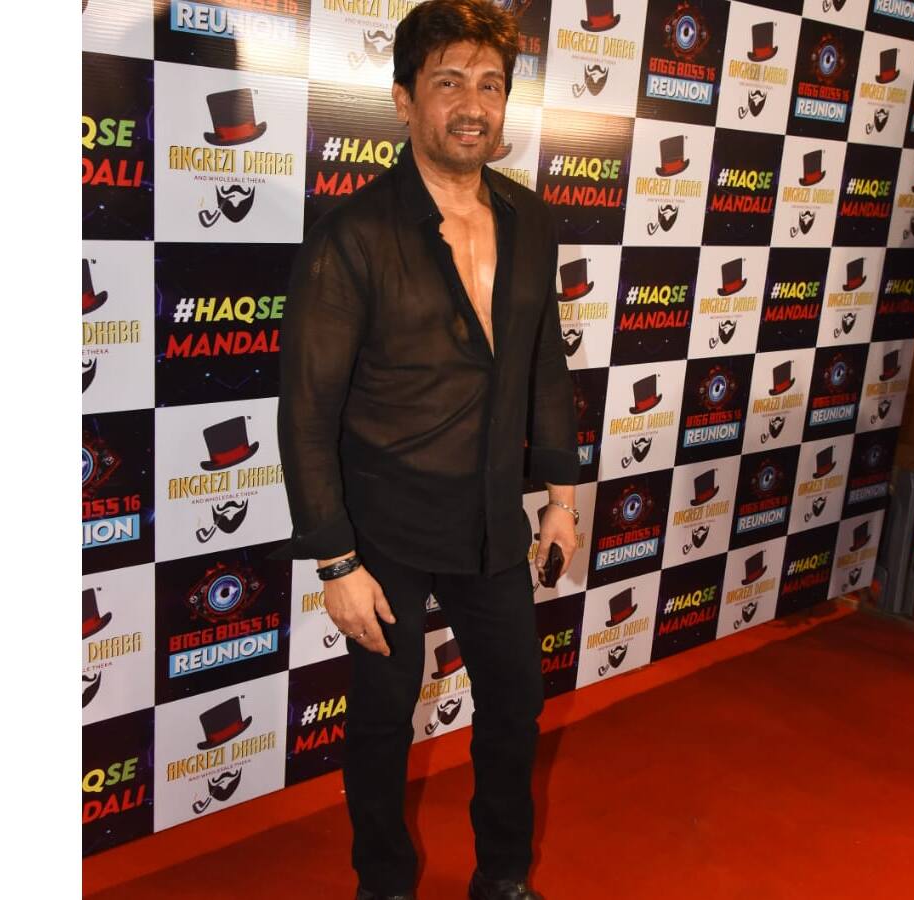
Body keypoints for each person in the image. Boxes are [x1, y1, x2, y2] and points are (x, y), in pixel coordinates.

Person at [273, 2, 579, 898]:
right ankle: (384, 883)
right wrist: (336, 560)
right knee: (380, 723)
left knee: (515, 706)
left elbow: (544, 366)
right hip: (384, 530)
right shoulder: (353, 235)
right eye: (448, 83)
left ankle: (503, 878)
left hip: (491, 519)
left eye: (489, 84)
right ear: (405, 100)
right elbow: (306, 410)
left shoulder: (530, 219)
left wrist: (561, 499)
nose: (472, 105)